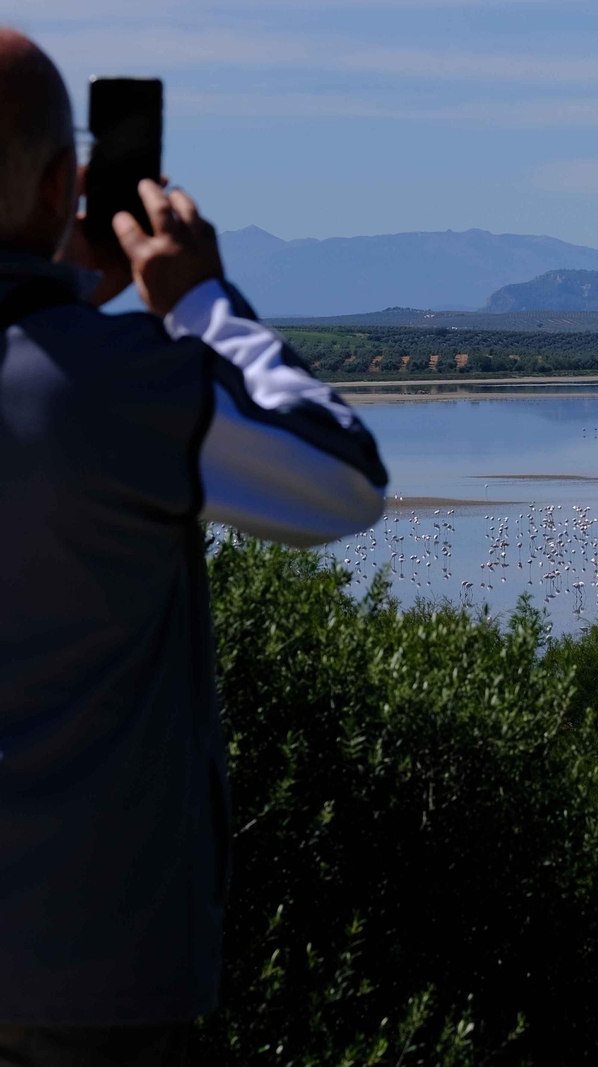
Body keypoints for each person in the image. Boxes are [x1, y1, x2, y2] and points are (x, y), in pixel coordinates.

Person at [0, 29, 387, 1065]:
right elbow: (340, 475)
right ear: (64, 183)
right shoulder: (126, 391)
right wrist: (197, 302)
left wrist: (57, 282)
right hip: (86, 970)